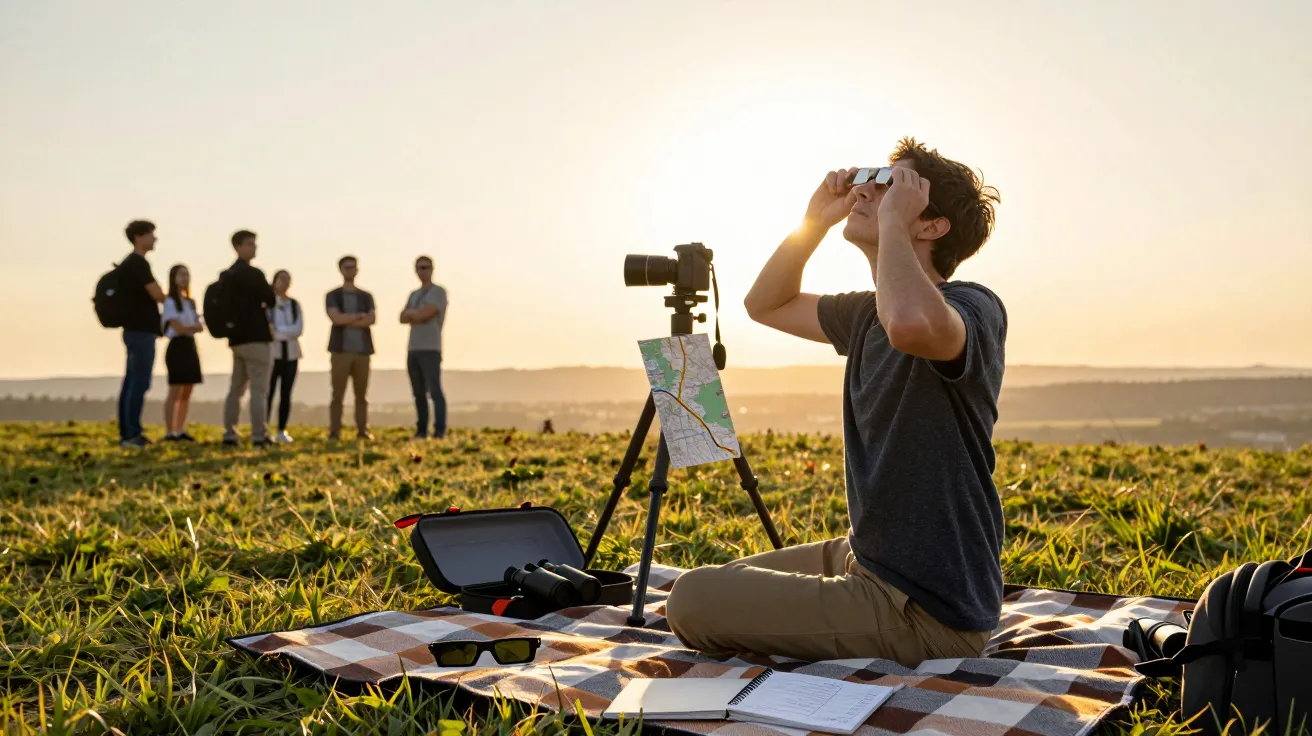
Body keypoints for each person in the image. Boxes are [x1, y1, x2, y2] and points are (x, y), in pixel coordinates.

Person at [664, 138, 1006, 668]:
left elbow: (910, 325)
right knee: (720, 582)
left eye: (890, 184)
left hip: (929, 609)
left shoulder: (974, 306)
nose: (866, 190)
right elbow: (765, 304)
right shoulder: (866, 314)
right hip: (870, 560)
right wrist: (815, 223)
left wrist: (892, 223)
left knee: (691, 600)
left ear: (931, 225)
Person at [221, 230, 277, 446]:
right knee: (258, 389)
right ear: (238, 246)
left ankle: (230, 432)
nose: (254, 248)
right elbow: (270, 299)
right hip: (256, 336)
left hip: (236, 338)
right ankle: (259, 434)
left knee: (236, 389)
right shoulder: (253, 274)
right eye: (250, 244)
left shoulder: (227, 276)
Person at [116, 220, 166, 449]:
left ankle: (128, 432)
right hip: (141, 330)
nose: (155, 239)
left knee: (132, 381)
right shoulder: (138, 263)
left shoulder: (130, 263)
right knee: (139, 382)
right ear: (139, 236)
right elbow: (157, 295)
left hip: (133, 330)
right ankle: (132, 434)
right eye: (151, 234)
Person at [325, 255, 376, 441]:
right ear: (340, 270)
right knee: (337, 394)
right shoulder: (333, 295)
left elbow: (371, 319)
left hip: (362, 352)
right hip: (340, 352)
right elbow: (335, 318)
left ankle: (362, 430)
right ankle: (335, 430)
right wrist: (358, 317)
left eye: (353, 267)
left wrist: (346, 319)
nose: (351, 270)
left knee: (361, 394)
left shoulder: (366, 296)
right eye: (347, 267)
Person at [400, 255, 449, 439]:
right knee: (418, 392)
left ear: (432, 269)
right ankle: (421, 430)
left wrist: (414, 314)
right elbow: (402, 317)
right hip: (413, 348)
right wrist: (416, 313)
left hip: (431, 348)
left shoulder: (438, 292)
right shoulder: (414, 294)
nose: (423, 271)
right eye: (420, 268)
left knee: (434, 391)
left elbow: (425, 314)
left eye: (426, 267)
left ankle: (439, 430)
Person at [161, 264, 205, 441]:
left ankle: (180, 428)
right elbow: (178, 328)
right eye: (181, 275)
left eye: (186, 275)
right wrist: (191, 328)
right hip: (177, 346)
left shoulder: (190, 302)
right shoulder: (170, 302)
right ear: (173, 278)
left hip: (190, 345)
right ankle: (169, 430)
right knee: (175, 389)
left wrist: (190, 328)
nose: (185, 278)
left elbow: (199, 326)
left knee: (188, 389)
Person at [266, 269, 303, 444]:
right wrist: (284, 333)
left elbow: (298, 329)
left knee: (286, 393)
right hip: (273, 354)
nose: (285, 283)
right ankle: (264, 428)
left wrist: (280, 331)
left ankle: (282, 429)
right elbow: (269, 330)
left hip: (292, 354)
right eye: (281, 279)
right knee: (269, 392)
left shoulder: (294, 305)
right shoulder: (268, 305)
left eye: (288, 279)